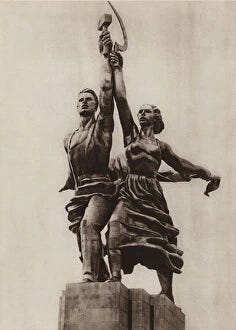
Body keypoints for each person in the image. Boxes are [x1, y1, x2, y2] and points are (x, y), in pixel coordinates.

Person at [106, 51, 220, 301]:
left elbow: (182, 165)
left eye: (147, 112)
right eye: (141, 112)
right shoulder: (131, 136)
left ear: (156, 118)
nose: (141, 114)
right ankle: (114, 278)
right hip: (130, 190)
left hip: (152, 194)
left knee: (159, 239)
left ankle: (167, 292)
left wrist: (207, 173)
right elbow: (121, 99)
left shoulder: (161, 146)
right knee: (115, 225)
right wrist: (117, 69)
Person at [59, 31, 118, 282]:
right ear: (76, 106)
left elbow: (106, 89)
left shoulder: (102, 128)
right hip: (80, 191)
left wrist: (105, 57)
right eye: (80, 100)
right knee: (83, 244)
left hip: (102, 189)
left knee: (88, 226)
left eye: (89, 100)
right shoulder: (68, 138)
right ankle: (100, 275)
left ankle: (89, 277)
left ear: (96, 106)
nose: (84, 102)